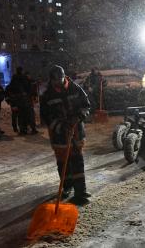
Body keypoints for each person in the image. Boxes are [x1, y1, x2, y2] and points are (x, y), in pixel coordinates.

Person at [40, 65, 91, 204]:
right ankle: (67, 187)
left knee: (77, 160)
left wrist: (78, 116)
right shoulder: (47, 96)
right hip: (59, 135)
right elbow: (46, 117)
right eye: (55, 82)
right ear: (51, 80)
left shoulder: (75, 88)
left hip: (76, 132)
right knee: (64, 163)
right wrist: (61, 126)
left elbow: (86, 105)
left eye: (60, 80)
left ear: (64, 77)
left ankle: (80, 191)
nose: (58, 84)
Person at [8, 67, 31, 135]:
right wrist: (26, 93)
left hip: (18, 99)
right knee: (24, 114)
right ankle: (24, 128)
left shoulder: (14, 78)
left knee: (20, 115)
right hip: (23, 99)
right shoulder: (23, 78)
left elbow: (11, 88)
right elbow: (28, 86)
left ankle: (22, 129)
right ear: (21, 71)